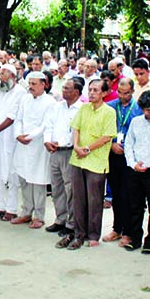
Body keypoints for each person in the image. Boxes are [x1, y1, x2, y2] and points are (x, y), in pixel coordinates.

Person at [62, 79, 117, 249]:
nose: (92, 93)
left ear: (104, 93)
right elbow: (76, 128)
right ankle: (79, 232)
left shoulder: (109, 112)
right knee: (78, 199)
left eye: (96, 90)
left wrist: (86, 148)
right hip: (78, 159)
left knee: (94, 200)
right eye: (90, 89)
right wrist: (77, 146)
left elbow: (107, 136)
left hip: (96, 161)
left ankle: (93, 234)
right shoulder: (84, 108)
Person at [11, 71, 56, 229]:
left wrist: (30, 136)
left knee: (38, 181)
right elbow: (18, 119)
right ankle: (26, 212)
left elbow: (46, 125)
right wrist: (18, 135)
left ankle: (39, 216)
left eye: (34, 84)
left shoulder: (50, 102)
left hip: (37, 145)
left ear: (44, 84)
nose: (30, 87)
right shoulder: (25, 99)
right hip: (22, 144)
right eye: (29, 84)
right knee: (24, 179)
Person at [0, 64, 27, 220]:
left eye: (4, 74)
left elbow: (12, 116)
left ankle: (11, 209)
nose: (0, 76)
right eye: (0, 73)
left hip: (9, 138)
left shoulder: (20, 92)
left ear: (13, 76)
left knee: (11, 175)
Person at [103, 78, 143, 246]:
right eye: (120, 92)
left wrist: (127, 147)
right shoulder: (111, 106)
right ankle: (116, 228)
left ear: (132, 92)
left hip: (130, 157)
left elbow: (141, 133)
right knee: (116, 195)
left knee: (129, 196)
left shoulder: (138, 109)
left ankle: (129, 232)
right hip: (113, 154)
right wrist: (112, 143)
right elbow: (104, 128)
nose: (122, 96)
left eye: (126, 93)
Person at [123, 90, 150, 253]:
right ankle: (135, 237)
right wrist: (133, 164)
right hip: (135, 169)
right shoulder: (136, 121)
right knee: (135, 205)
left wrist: (147, 164)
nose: (148, 113)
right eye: (145, 109)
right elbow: (128, 144)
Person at [45, 78, 83, 241]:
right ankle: (60, 219)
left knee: (71, 189)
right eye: (63, 88)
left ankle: (72, 223)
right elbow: (48, 126)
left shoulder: (82, 109)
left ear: (76, 92)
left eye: (67, 88)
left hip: (70, 152)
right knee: (57, 188)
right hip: (54, 152)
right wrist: (47, 141)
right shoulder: (57, 107)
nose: (64, 91)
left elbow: (76, 132)